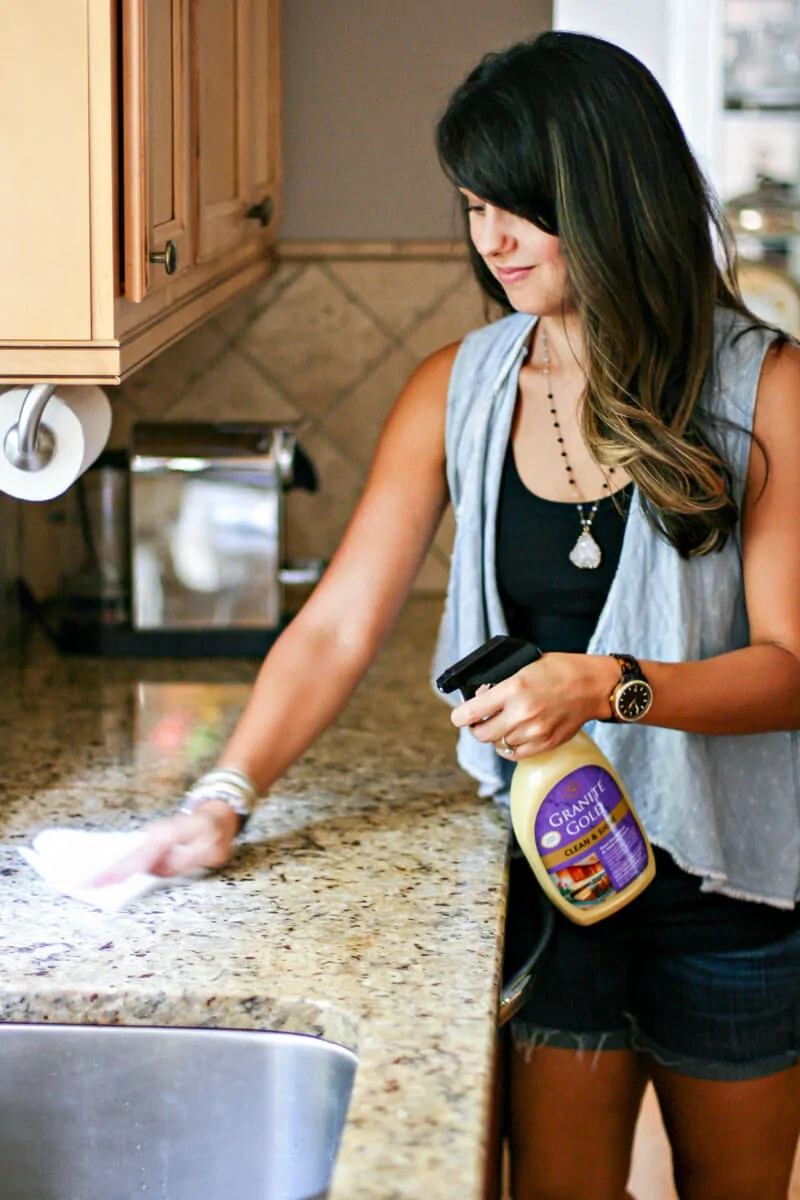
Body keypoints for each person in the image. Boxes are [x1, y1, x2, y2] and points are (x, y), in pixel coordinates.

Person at [98, 32, 800, 1200]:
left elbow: (787, 668)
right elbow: (335, 625)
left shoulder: (762, 391)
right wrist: (223, 796)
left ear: (610, 198)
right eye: (475, 206)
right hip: (548, 874)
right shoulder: (458, 387)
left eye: (522, 207)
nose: (492, 240)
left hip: (727, 892)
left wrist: (607, 682)